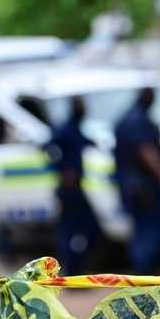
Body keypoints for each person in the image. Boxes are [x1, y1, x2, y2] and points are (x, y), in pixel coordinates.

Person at [114, 87, 160, 273]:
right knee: (149, 231)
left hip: (136, 186)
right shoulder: (138, 120)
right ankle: (148, 271)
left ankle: (155, 268)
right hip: (145, 187)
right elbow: (146, 151)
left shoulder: (128, 118)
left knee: (150, 229)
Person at [45, 96, 101, 274]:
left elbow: (84, 142)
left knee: (88, 231)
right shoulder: (65, 129)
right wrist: (63, 171)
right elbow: (49, 148)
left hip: (77, 188)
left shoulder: (75, 129)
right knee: (69, 231)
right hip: (68, 190)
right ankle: (69, 269)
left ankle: (75, 266)